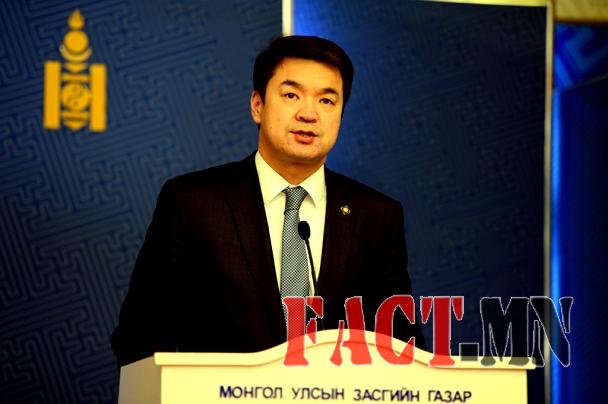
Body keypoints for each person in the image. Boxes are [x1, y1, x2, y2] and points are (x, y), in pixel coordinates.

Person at [111, 35, 425, 368]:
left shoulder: (376, 216)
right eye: (291, 95)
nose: (309, 114)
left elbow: (401, 344)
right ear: (257, 105)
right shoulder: (193, 203)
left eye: (327, 101)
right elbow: (140, 338)